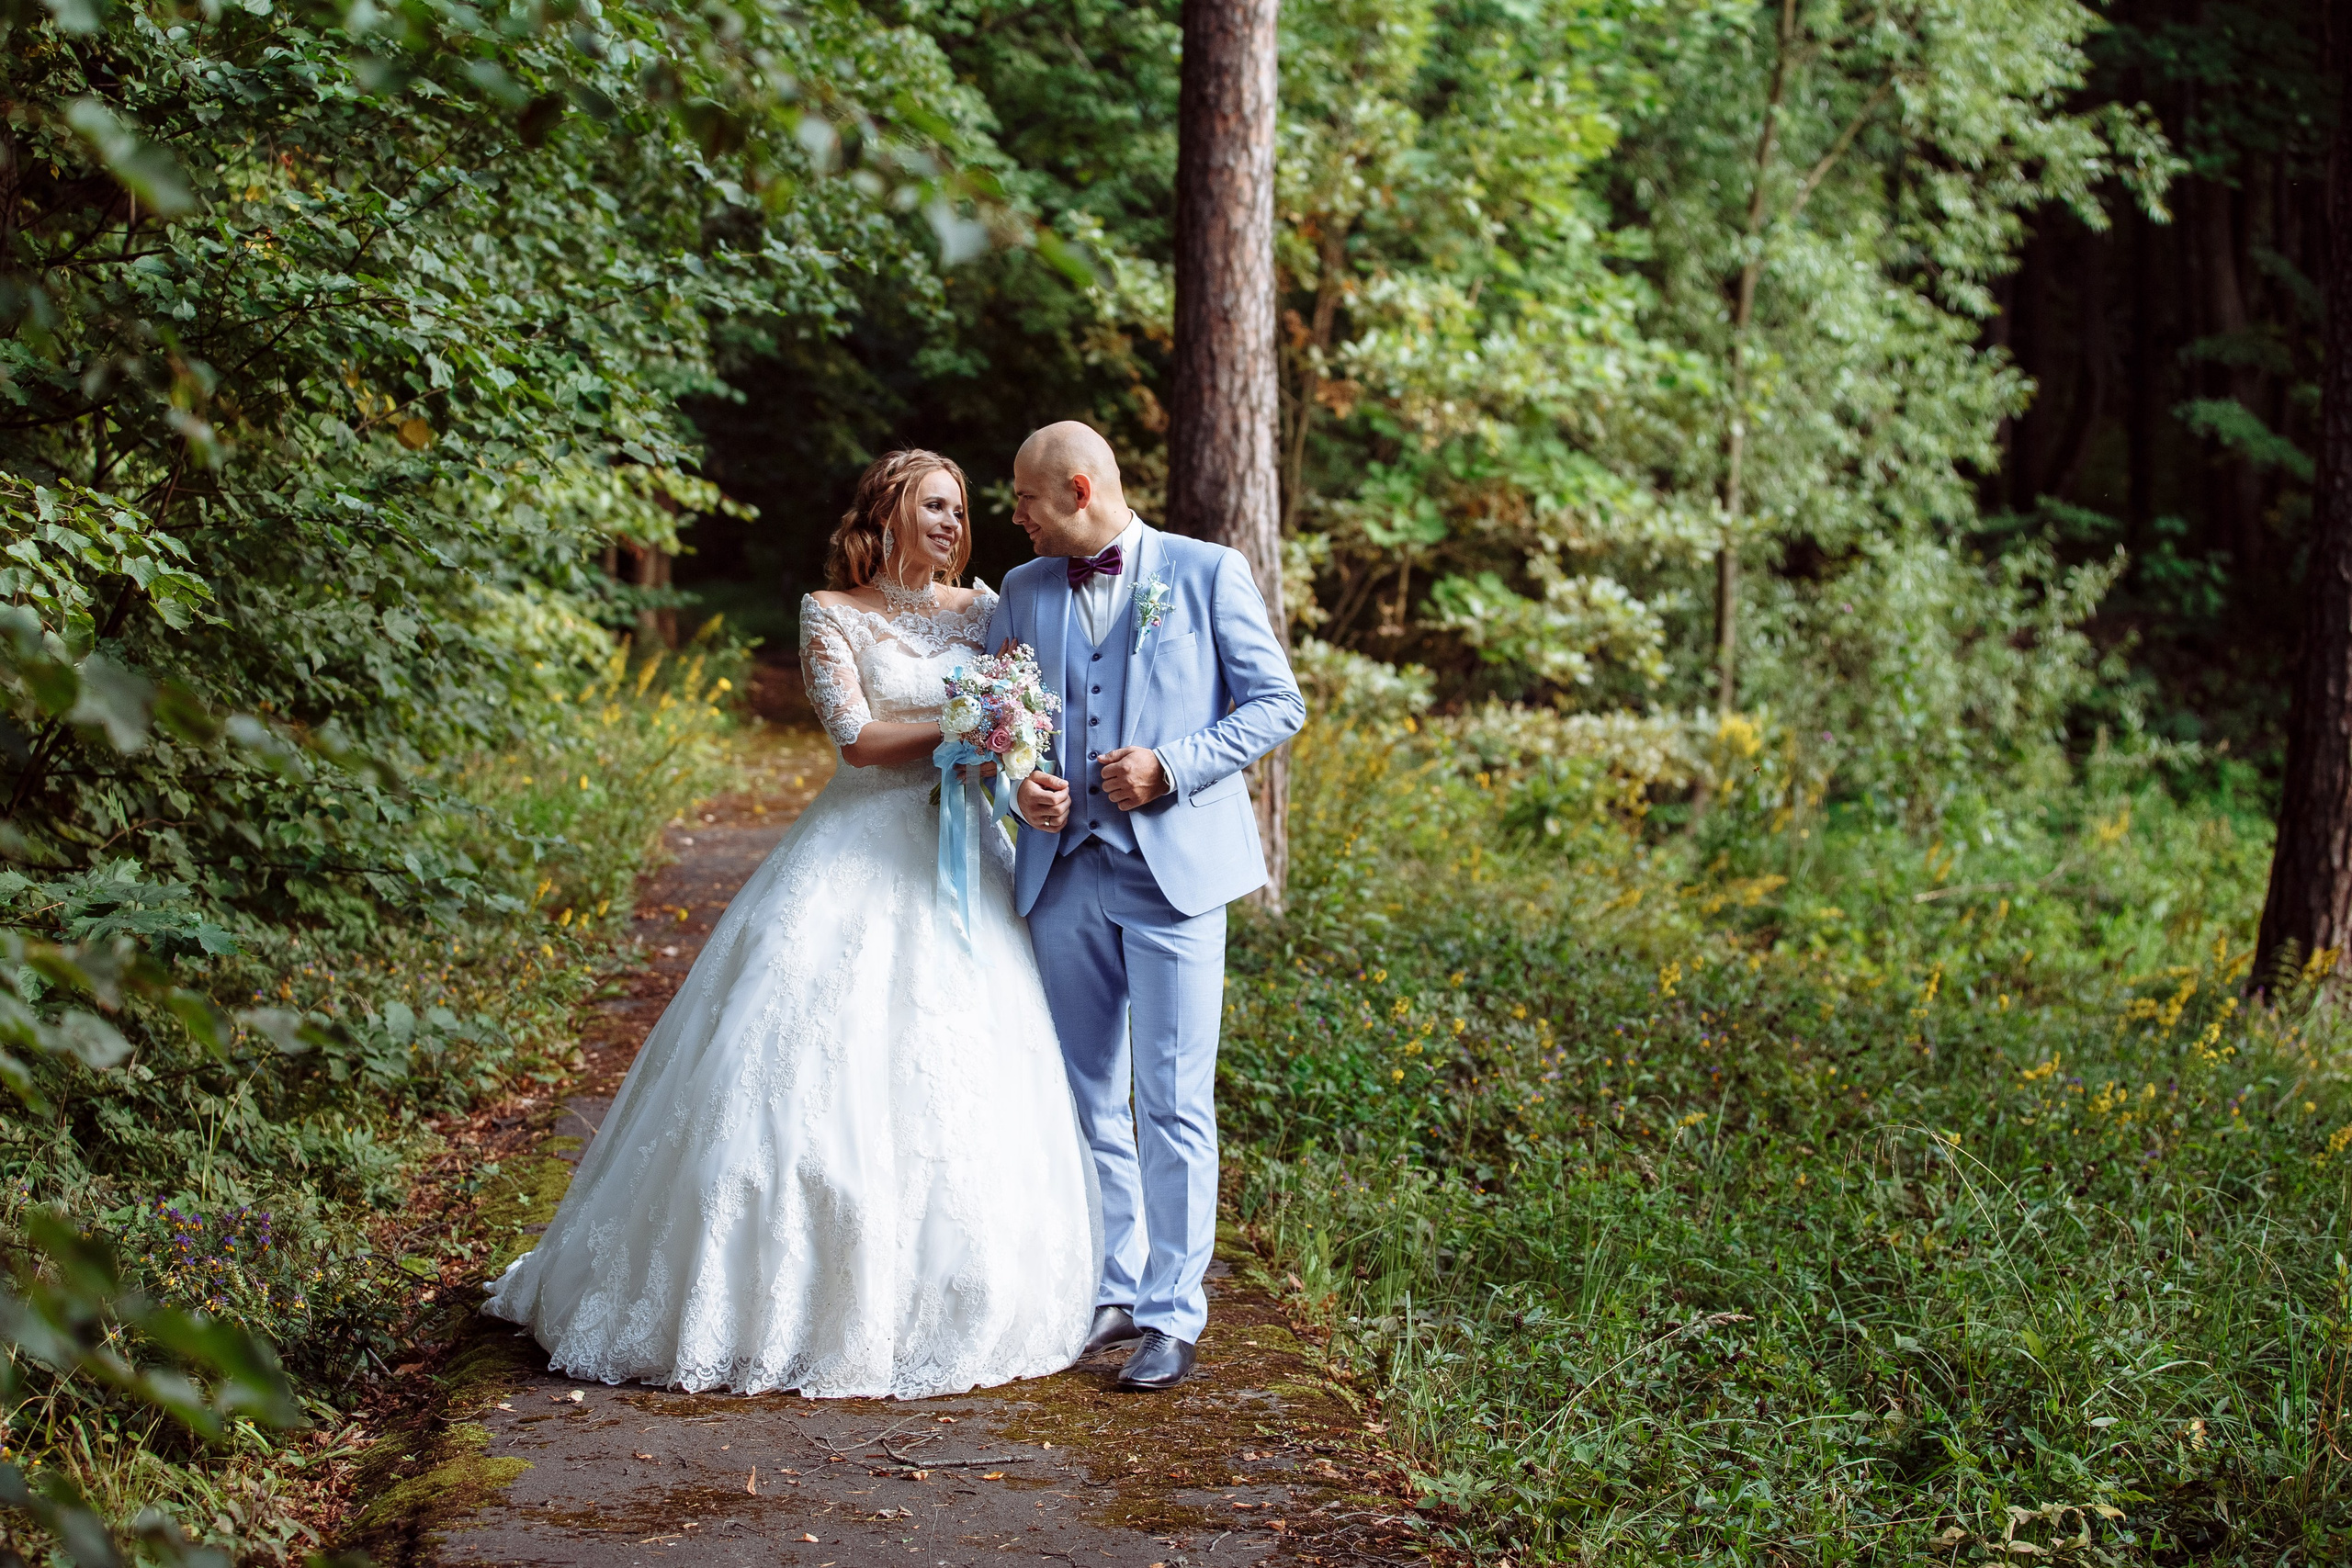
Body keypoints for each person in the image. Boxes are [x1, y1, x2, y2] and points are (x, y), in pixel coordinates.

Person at [483, 449, 1097, 1399]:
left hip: (964, 857)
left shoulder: (984, 610)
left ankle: (957, 1287)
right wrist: (960, 729)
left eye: (960, 509)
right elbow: (856, 742)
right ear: (887, 512)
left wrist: (1016, 773)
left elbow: (1014, 735)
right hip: (859, 847)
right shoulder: (830, 613)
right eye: (934, 505)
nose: (952, 523)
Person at [987, 422, 1306, 1392]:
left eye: (1026, 498)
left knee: (1171, 1100)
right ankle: (1115, 1285)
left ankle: (1173, 1312)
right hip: (1063, 876)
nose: (1015, 515)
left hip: (1175, 879)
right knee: (1086, 1096)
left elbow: (1277, 704)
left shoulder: (1207, 573)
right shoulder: (1022, 590)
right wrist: (1021, 790)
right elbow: (1001, 731)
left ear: (1079, 491)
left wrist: (1172, 764)